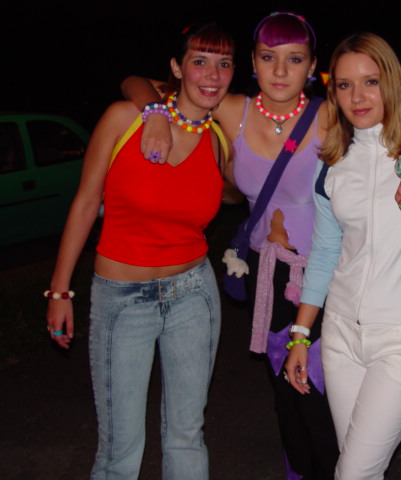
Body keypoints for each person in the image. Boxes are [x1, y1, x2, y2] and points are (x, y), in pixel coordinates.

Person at [121, 12, 401, 480]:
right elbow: (136, 82)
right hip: (266, 274)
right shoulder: (231, 109)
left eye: (294, 59)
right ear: (253, 62)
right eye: (268, 57)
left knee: (319, 399)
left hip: (323, 276)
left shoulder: (330, 114)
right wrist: (154, 114)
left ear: (312, 67)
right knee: (284, 392)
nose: (280, 71)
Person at [45, 23, 234, 479]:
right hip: (122, 297)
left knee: (187, 436)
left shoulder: (219, 139)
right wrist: (60, 291)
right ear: (176, 68)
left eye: (224, 63)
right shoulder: (123, 119)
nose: (212, 74)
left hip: (194, 294)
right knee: (119, 450)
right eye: (199, 61)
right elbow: (86, 203)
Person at [284, 32, 401, 480]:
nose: (358, 97)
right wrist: (301, 334)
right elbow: (326, 251)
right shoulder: (331, 161)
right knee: (358, 465)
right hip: (340, 336)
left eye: (370, 82)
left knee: (353, 473)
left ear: (391, 82)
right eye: (344, 85)